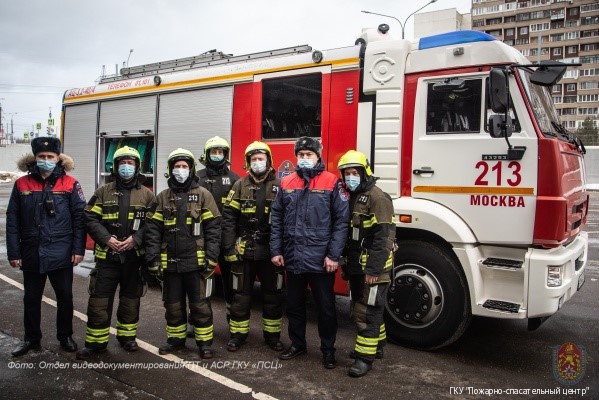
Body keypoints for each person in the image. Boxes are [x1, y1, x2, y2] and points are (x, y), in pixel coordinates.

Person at [270, 136, 349, 369]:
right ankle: (297, 344)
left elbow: (341, 222)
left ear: (318, 156)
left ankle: (328, 350)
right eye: (301, 155)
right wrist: (276, 251)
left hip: (321, 261)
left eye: (309, 155)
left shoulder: (332, 182)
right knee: (294, 306)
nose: (304, 159)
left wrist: (333, 255)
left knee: (325, 309)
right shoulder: (286, 183)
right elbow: (277, 220)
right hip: (293, 258)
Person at [7, 136, 86, 357]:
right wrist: (14, 252)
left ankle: (65, 336)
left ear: (58, 158)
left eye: (50, 156)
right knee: (31, 298)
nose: (46, 160)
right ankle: (31, 339)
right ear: (35, 157)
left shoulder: (70, 183)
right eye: (41, 157)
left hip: (61, 251)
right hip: (32, 251)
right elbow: (12, 219)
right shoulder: (22, 184)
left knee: (65, 297)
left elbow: (80, 218)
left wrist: (78, 250)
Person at [76, 146, 155, 359]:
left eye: (130, 163)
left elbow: (154, 223)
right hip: (107, 259)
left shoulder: (147, 195)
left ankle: (127, 338)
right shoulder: (104, 191)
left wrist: (136, 239)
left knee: (130, 300)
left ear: (137, 167)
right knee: (99, 301)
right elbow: (90, 217)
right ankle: (95, 343)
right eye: (122, 163)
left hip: (133, 259)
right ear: (115, 166)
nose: (126, 167)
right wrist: (106, 239)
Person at [145, 148, 221, 359]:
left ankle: (204, 343)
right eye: (176, 167)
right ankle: (175, 340)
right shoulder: (161, 198)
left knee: (200, 306)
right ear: (170, 170)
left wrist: (211, 257)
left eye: (184, 166)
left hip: (196, 264)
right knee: (173, 305)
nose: (180, 170)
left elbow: (214, 229)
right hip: (170, 263)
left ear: (191, 169)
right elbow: (152, 231)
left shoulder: (204, 195)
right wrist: (153, 259)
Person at [337, 150, 395, 377]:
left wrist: (374, 269)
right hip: (356, 265)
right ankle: (378, 346)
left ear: (364, 172)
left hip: (373, 267)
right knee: (368, 307)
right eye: (347, 173)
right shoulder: (352, 196)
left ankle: (364, 358)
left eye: (355, 172)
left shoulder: (378, 197)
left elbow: (384, 236)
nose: (350, 177)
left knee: (366, 312)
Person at [222, 141, 283, 352]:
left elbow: (286, 219)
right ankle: (238, 335)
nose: (257, 163)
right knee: (241, 294)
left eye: (261, 159)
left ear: (268, 161)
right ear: (248, 162)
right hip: (244, 250)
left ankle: (273, 337)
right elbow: (228, 218)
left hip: (270, 251)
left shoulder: (280, 185)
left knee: (273, 295)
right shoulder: (239, 185)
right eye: (254, 159)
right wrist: (230, 248)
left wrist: (281, 249)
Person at [196, 136, 239, 324]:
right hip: (201, 239)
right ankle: (196, 320)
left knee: (231, 283)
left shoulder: (234, 179)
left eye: (220, 152)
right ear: (207, 154)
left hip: (226, 239)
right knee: (199, 282)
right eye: (213, 152)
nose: (217, 155)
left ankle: (233, 320)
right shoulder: (197, 177)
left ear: (226, 154)